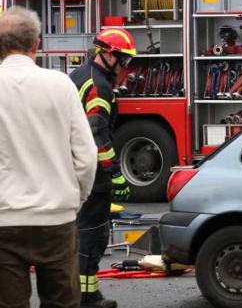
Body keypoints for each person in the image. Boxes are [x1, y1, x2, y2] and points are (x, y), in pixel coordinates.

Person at [0, 6, 98, 308]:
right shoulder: (61, 85)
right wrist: (75, 200)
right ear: (36, 44)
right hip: (57, 220)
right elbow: (86, 155)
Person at [69, 28, 136, 308]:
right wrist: (115, 172)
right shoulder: (99, 86)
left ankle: (85, 294)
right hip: (92, 172)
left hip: (74, 166)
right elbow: (97, 133)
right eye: (124, 59)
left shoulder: (81, 75)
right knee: (93, 233)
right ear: (108, 55)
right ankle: (86, 298)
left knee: (82, 231)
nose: (125, 66)